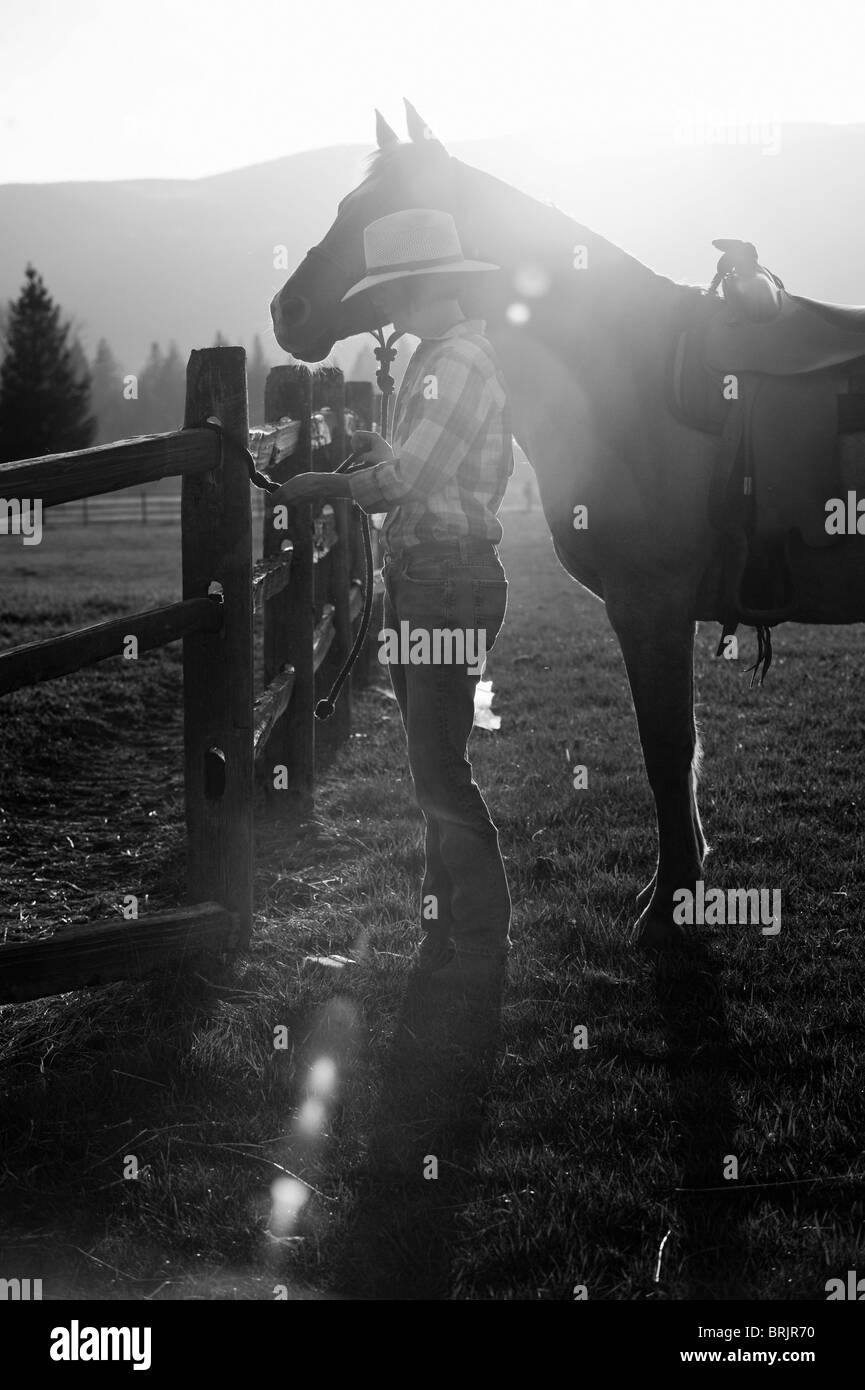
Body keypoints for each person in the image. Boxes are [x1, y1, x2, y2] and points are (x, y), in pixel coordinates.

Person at [273, 208, 514, 989]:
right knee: (433, 768)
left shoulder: (458, 362)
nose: (385, 314)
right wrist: (381, 461)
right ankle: (444, 941)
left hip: (445, 581)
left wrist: (328, 485)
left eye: (392, 297)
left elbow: (411, 480)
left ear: (420, 288)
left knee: (439, 769)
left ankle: (476, 944)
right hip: (431, 577)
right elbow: (415, 466)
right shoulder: (444, 358)